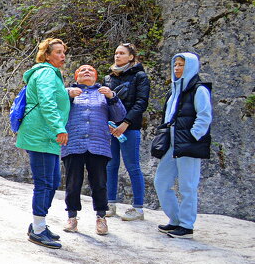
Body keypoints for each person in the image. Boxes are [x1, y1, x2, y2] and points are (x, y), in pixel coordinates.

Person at [16, 37, 71, 248]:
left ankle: (39, 224)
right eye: (57, 52)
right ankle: (38, 229)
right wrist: (59, 128)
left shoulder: (49, 74)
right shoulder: (47, 72)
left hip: (45, 135)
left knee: (53, 180)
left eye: (63, 52)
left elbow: (49, 97)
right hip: (41, 134)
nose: (62, 56)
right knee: (44, 182)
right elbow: (47, 102)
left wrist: (66, 93)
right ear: (47, 55)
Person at [154, 53, 212, 239]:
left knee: (188, 186)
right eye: (176, 65)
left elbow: (204, 116)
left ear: (191, 67)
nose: (177, 68)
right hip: (172, 141)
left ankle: (186, 226)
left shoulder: (198, 89)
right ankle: (176, 220)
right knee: (161, 182)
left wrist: (192, 136)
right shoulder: (174, 89)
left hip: (188, 142)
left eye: (181, 65)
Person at [63, 64, 126, 235]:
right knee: (72, 183)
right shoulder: (67, 91)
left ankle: (101, 217)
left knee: (99, 183)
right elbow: (57, 112)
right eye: (82, 70)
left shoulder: (104, 93)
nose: (86, 72)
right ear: (76, 76)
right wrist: (67, 96)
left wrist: (112, 97)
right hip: (73, 143)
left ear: (96, 77)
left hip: (98, 144)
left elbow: (119, 116)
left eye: (90, 70)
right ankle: (72, 217)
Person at [103, 43, 150, 221]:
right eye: (116, 53)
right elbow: (103, 103)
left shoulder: (140, 76)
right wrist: (107, 124)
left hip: (129, 129)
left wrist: (126, 123)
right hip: (111, 128)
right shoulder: (109, 78)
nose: (117, 56)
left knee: (133, 166)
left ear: (131, 57)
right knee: (111, 165)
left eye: (122, 53)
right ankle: (110, 203)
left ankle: (138, 208)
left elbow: (141, 103)